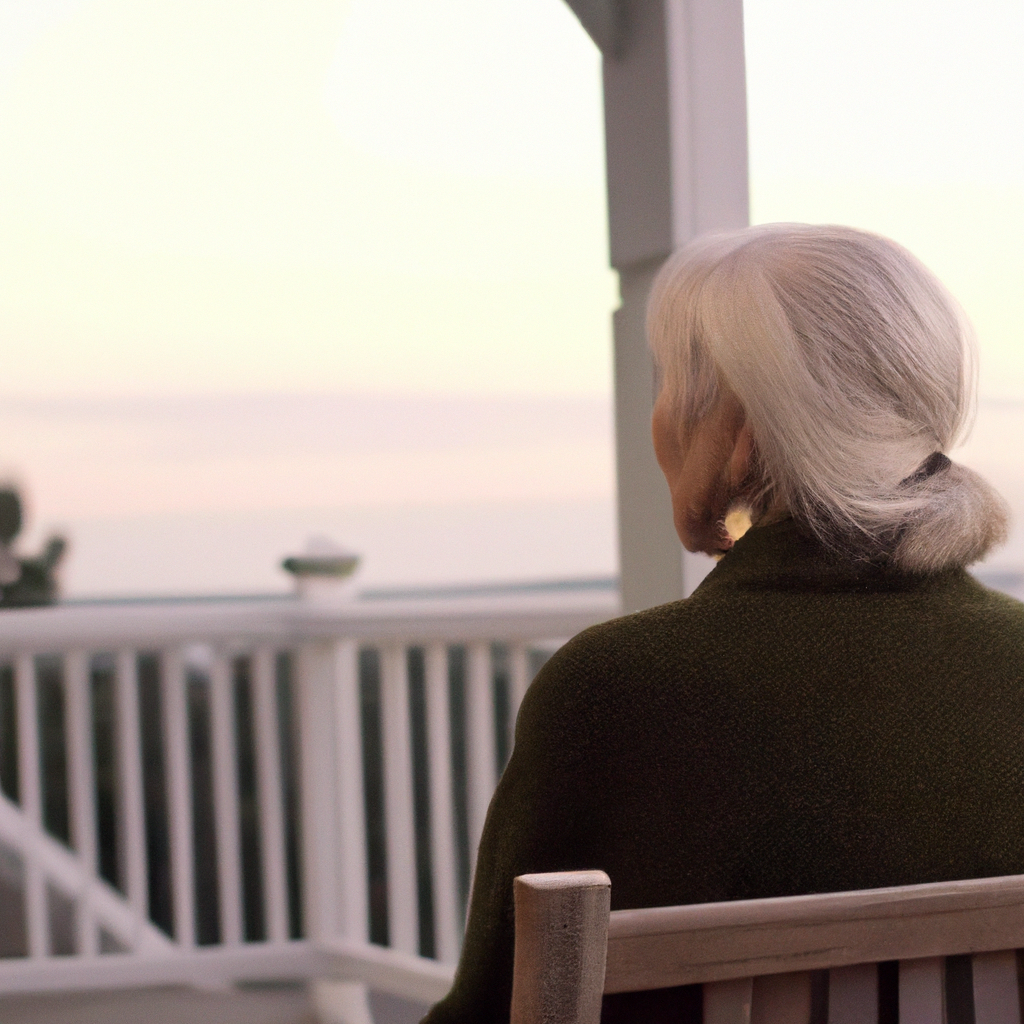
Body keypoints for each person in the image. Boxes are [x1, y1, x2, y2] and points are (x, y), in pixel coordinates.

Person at [423, 224, 1024, 1024]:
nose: (660, 416)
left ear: (735, 430)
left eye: (670, 383)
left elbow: (496, 1010)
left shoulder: (616, 691)